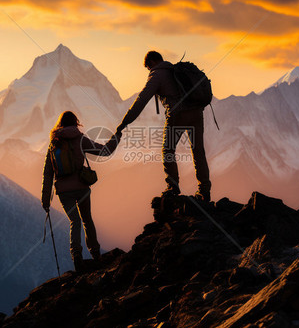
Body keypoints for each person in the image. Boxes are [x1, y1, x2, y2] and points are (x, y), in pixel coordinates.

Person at [116, 51, 211, 202]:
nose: (149, 70)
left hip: (178, 114)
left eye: (148, 67)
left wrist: (125, 122)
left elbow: (141, 100)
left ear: (152, 62)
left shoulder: (157, 75)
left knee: (168, 150)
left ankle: (173, 186)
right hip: (196, 112)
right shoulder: (174, 70)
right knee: (198, 150)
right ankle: (204, 190)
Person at [41, 111, 120, 272]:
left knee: (74, 222)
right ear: (75, 123)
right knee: (87, 220)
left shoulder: (54, 143)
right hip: (82, 187)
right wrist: (116, 137)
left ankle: (76, 256)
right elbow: (104, 151)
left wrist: (45, 200)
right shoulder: (81, 139)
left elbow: (48, 173)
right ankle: (96, 253)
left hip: (63, 191)